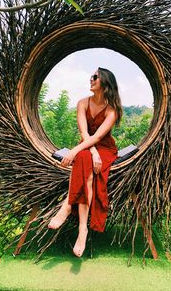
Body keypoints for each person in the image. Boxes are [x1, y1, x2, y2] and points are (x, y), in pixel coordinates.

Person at [48, 67, 122, 257]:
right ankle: (83, 229)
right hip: (87, 146)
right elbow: (84, 134)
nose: (91, 79)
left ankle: (68, 205)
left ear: (105, 84)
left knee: (81, 158)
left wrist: (81, 151)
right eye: (92, 76)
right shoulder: (82, 103)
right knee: (83, 159)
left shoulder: (111, 110)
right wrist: (91, 151)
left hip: (106, 149)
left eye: (95, 77)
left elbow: (97, 137)